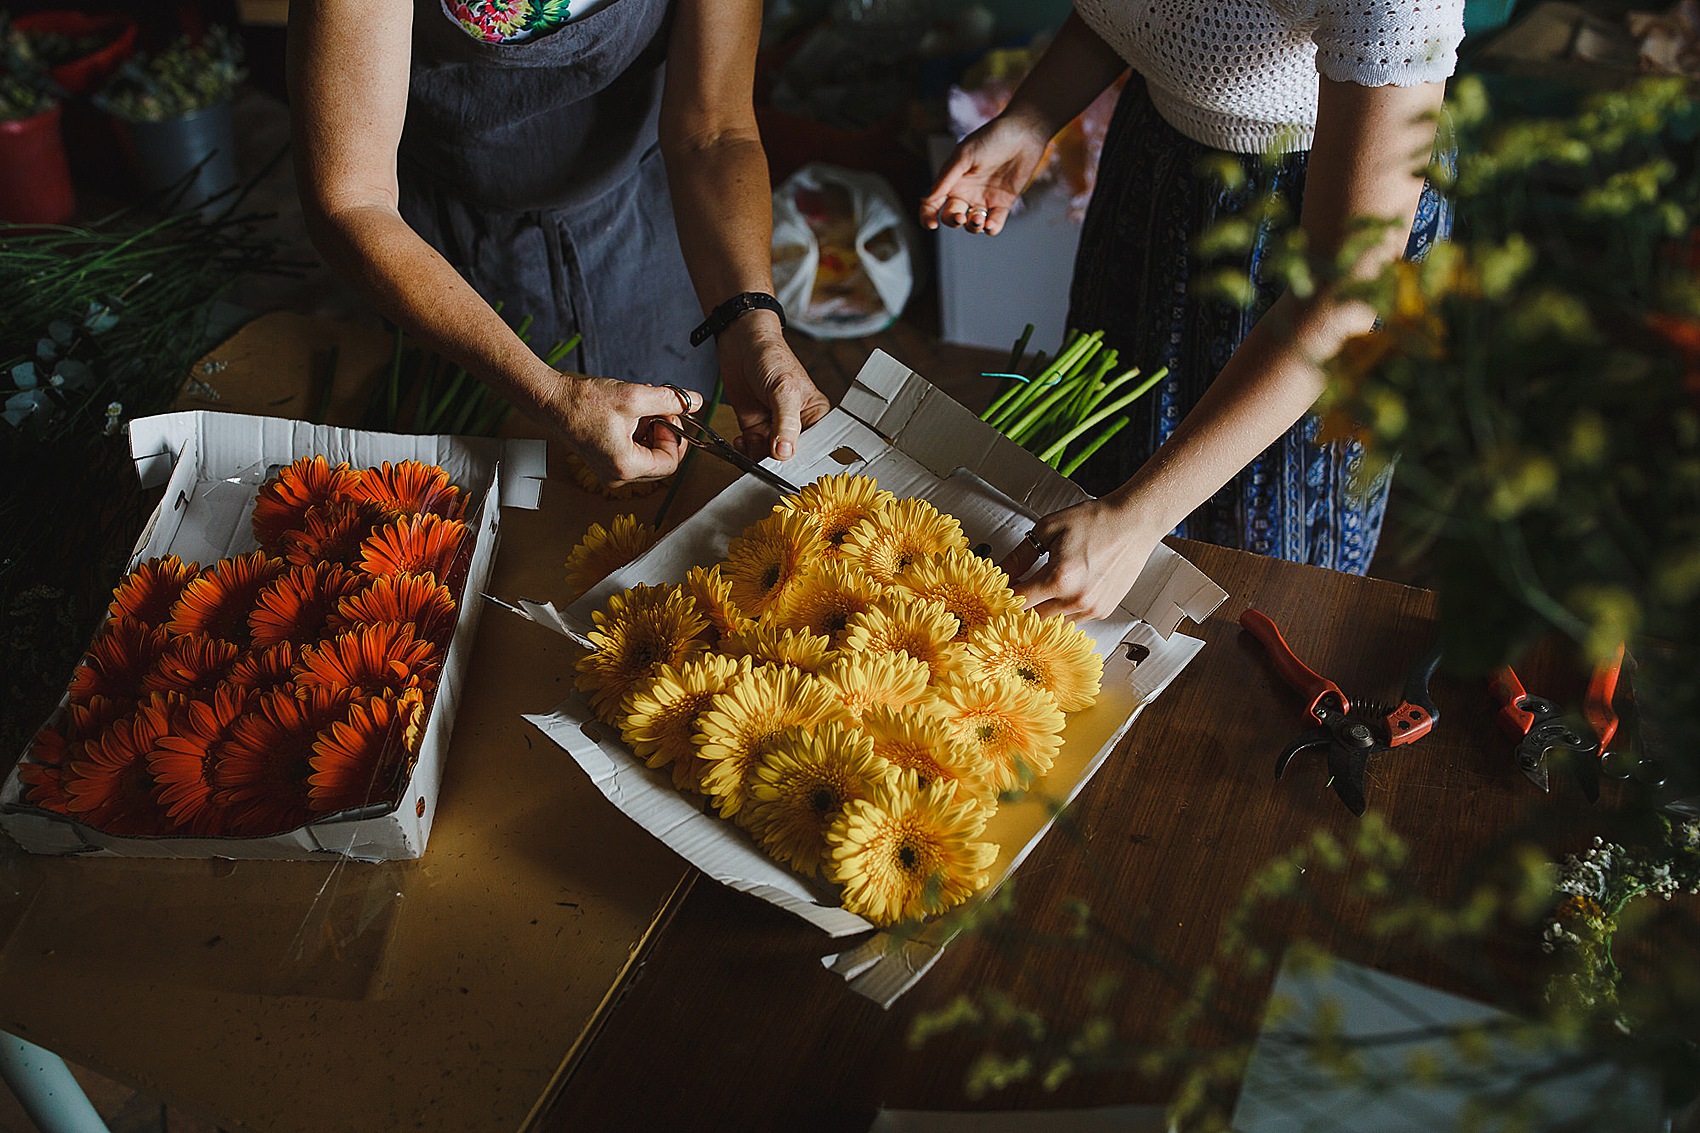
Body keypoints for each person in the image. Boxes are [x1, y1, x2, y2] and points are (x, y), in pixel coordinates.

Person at [922, 3, 1466, 620]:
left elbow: (1342, 297)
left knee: (1261, 564)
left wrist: (1136, 519)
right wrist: (1031, 117)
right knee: (1105, 467)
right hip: (1158, 174)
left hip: (1315, 236)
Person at [287, 0, 829, 485]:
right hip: (443, 257)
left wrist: (748, 316)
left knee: (670, 472)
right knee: (491, 485)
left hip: (647, 221)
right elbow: (352, 201)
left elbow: (714, 134)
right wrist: (547, 391)